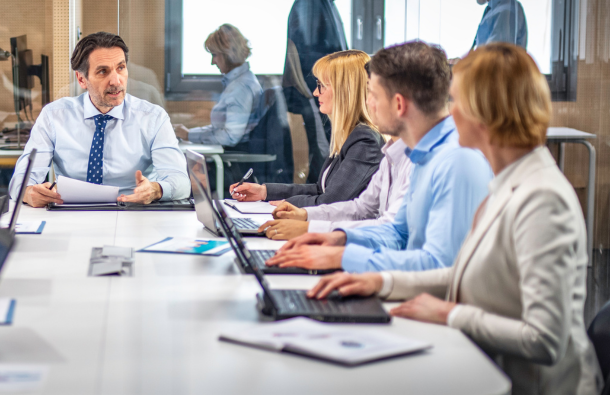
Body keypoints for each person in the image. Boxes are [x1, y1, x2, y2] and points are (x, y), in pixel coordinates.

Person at [307, 43, 602, 395]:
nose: (449, 114)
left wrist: (448, 314)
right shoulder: (508, 182)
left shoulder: (542, 199)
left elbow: (544, 339)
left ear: (486, 111)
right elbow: (460, 272)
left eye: (457, 101)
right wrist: (379, 281)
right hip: (491, 366)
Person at [264, 42, 492, 273]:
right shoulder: (412, 152)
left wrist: (337, 251)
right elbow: (393, 229)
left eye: (372, 94)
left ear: (399, 104)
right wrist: (332, 236)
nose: (368, 103)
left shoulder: (454, 160)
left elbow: (439, 264)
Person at [9, 32, 190, 207]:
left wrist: (156, 189)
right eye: (103, 71)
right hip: (71, 214)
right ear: (81, 79)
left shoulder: (153, 118)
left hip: (132, 212)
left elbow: (181, 182)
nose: (116, 81)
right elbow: (21, 180)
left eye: (120, 68)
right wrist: (27, 192)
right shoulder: (54, 116)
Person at [230, 50, 385, 208]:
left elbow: (331, 203)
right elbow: (320, 190)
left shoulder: (365, 141)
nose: (315, 92)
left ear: (344, 90)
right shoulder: (350, 135)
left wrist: (286, 204)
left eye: (321, 86)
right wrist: (264, 192)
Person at [256, 134, 411, 240]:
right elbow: (361, 207)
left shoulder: (366, 140)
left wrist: (310, 228)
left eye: (375, 96)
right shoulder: (390, 156)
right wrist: (304, 214)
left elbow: (390, 229)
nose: (369, 102)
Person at [173, 24, 262, 147]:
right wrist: (188, 133)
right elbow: (220, 129)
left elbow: (230, 137)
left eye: (214, 55)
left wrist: (189, 135)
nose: (212, 62)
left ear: (229, 54)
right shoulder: (239, 82)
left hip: (233, 160)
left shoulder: (241, 87)